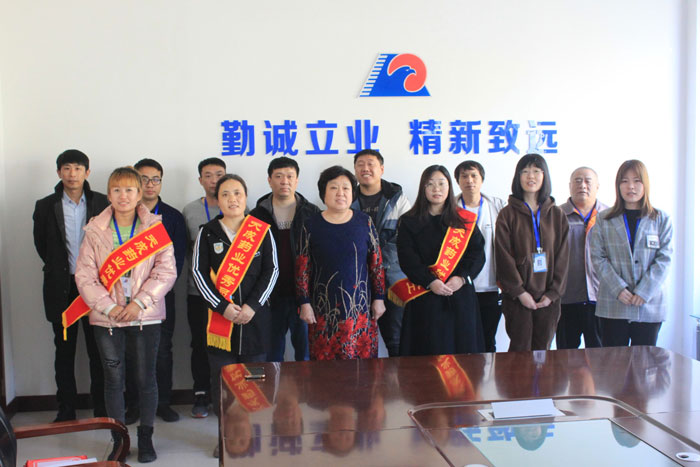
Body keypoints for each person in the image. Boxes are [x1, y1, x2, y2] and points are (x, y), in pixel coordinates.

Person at [75, 166, 177, 463]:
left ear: (140, 194)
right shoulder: (94, 229)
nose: (123, 196)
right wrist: (110, 307)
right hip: (107, 318)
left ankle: (146, 438)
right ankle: (119, 441)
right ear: (109, 195)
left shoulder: (154, 228)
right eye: (117, 190)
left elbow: (166, 271)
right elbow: (85, 276)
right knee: (113, 380)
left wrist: (139, 303)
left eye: (130, 190)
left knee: (146, 379)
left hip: (146, 315)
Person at [191, 174, 278, 458]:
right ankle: (226, 438)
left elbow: (272, 271)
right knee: (223, 386)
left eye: (237, 193)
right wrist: (222, 307)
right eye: (225, 194)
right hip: (220, 323)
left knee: (255, 384)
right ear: (217, 200)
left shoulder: (261, 231)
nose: (232, 199)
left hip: (255, 321)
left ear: (246, 196)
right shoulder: (207, 233)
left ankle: (254, 436)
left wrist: (253, 306)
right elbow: (198, 274)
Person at [32, 149, 108, 422]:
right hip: (62, 288)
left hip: (96, 288)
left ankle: (101, 407)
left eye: (77, 168)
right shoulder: (45, 206)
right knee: (64, 351)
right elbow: (42, 246)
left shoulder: (102, 202)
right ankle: (66, 408)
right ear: (58, 172)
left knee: (98, 350)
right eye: (66, 168)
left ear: (87, 172)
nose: (72, 174)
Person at [296, 165, 386, 360]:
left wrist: (379, 298)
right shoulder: (310, 225)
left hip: (360, 308)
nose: (340, 193)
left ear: (352, 193)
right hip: (323, 310)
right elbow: (303, 269)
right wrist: (304, 303)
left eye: (346, 188)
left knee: (362, 366)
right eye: (333, 188)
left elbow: (376, 264)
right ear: (323, 193)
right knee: (325, 367)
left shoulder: (365, 222)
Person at [122, 158, 187, 424]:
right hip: (126, 298)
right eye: (144, 179)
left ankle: (163, 402)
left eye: (155, 179)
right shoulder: (122, 213)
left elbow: (177, 261)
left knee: (162, 350)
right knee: (130, 351)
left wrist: (153, 291)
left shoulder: (172, 217)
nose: (150, 184)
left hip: (161, 295)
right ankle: (134, 404)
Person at [396, 165, 485, 356]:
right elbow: (407, 258)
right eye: (430, 184)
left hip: (459, 295)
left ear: (449, 187)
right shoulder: (409, 221)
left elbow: (477, 254)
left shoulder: (464, 220)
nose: (436, 189)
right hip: (424, 297)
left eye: (441, 183)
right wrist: (430, 281)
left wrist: (462, 278)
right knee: (427, 354)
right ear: (423, 188)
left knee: (462, 355)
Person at [589, 160, 672, 347]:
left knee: (645, 361)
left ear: (645, 184)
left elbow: (664, 259)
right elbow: (598, 257)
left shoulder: (661, 219)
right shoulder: (604, 219)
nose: (631, 187)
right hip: (613, 303)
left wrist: (644, 291)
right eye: (624, 181)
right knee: (613, 361)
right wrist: (619, 289)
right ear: (618, 185)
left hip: (649, 304)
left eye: (636, 181)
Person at [495, 153, 569, 351]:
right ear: (517, 177)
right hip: (517, 298)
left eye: (536, 171)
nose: (531, 176)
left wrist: (553, 293)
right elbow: (503, 256)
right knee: (520, 350)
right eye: (525, 171)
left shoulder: (557, 214)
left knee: (543, 351)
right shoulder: (507, 214)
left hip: (549, 298)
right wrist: (519, 292)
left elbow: (563, 257)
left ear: (545, 176)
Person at [250, 157, 319, 362]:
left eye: (290, 176)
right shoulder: (256, 215)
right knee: (272, 355)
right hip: (270, 297)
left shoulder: (311, 213)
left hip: (304, 296)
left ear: (297, 180)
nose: (284, 181)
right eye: (278, 176)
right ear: (269, 180)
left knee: (306, 354)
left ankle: (306, 385)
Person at [351, 149, 411, 357]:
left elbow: (405, 238)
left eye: (371, 164)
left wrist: (376, 258)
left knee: (396, 338)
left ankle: (402, 379)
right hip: (358, 280)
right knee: (358, 339)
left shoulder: (398, 199)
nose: (365, 168)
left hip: (393, 278)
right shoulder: (347, 197)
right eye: (360, 164)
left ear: (382, 169)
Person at [182, 157, 226, 418]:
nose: (214, 180)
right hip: (198, 292)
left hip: (229, 296)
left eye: (219, 174)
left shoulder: (238, 207)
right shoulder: (189, 211)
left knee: (225, 347)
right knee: (199, 344)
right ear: (200, 180)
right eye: (208, 175)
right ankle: (201, 394)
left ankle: (225, 394)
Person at [454, 160, 506, 352]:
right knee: (463, 341)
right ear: (458, 181)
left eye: (474, 175)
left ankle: (489, 373)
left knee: (488, 340)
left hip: (491, 286)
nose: (469, 180)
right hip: (460, 286)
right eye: (464, 176)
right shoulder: (450, 208)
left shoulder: (497, 206)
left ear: (482, 179)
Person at [557, 167, 608, 349]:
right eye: (577, 181)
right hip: (566, 298)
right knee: (565, 356)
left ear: (597, 186)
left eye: (588, 181)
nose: (582, 185)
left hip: (601, 299)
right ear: (570, 185)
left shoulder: (609, 216)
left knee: (601, 356)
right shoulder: (556, 215)